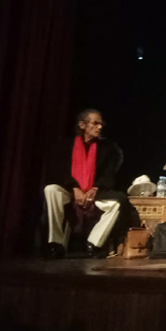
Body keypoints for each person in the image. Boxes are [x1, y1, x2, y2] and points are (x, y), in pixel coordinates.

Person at [44, 109, 133, 259]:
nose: (100, 127)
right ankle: (55, 243)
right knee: (51, 189)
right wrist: (75, 188)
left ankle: (94, 243)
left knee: (117, 202)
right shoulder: (65, 146)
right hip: (70, 191)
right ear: (82, 125)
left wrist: (95, 188)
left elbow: (109, 174)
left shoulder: (108, 149)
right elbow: (60, 171)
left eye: (101, 124)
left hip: (95, 192)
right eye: (95, 123)